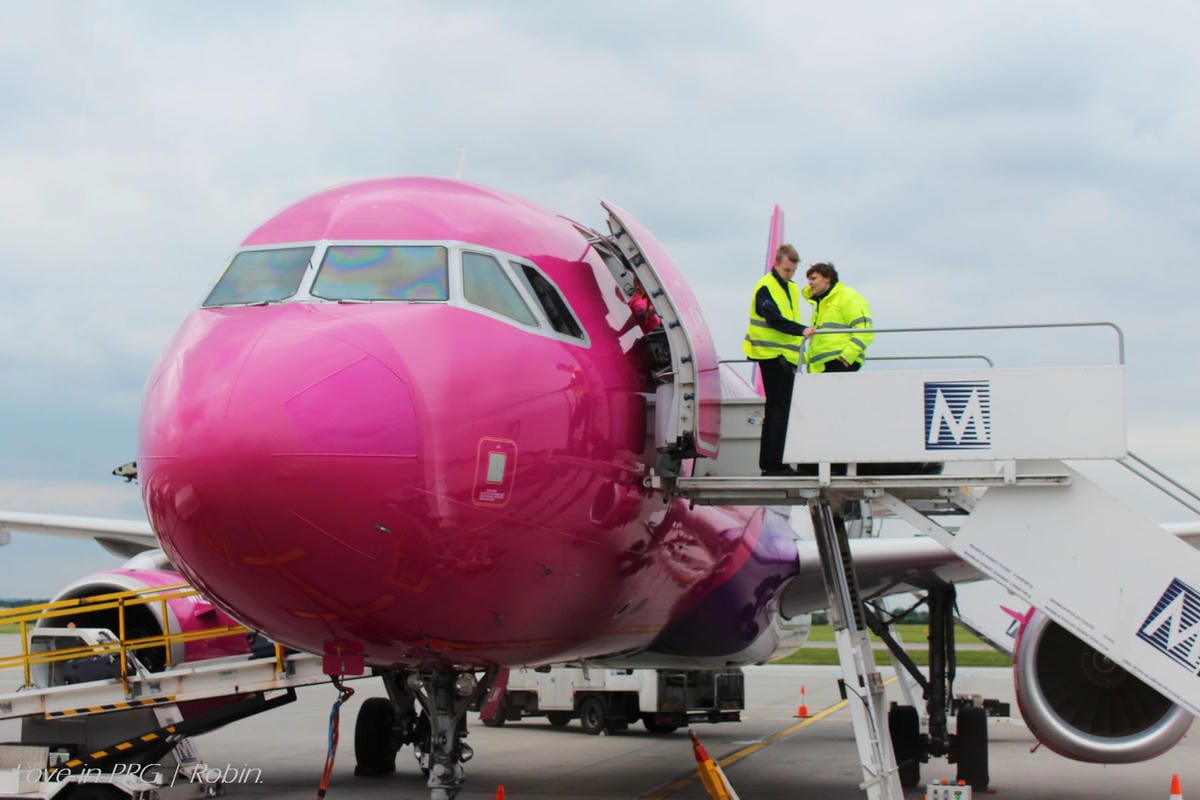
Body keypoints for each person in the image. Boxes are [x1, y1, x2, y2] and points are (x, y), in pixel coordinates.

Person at [743, 244, 807, 476]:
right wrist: (801, 330)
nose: (790, 275)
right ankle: (772, 463)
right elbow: (772, 318)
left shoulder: (790, 288)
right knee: (777, 409)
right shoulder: (766, 286)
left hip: (785, 356)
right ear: (776, 264)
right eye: (787, 269)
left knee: (784, 409)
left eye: (793, 271)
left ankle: (778, 461)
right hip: (770, 355)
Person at [801, 262, 873, 373]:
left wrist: (847, 356)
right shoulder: (820, 304)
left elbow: (864, 329)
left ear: (827, 278)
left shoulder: (847, 295)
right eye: (809, 280)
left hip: (840, 362)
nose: (809, 283)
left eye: (813, 278)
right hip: (820, 367)